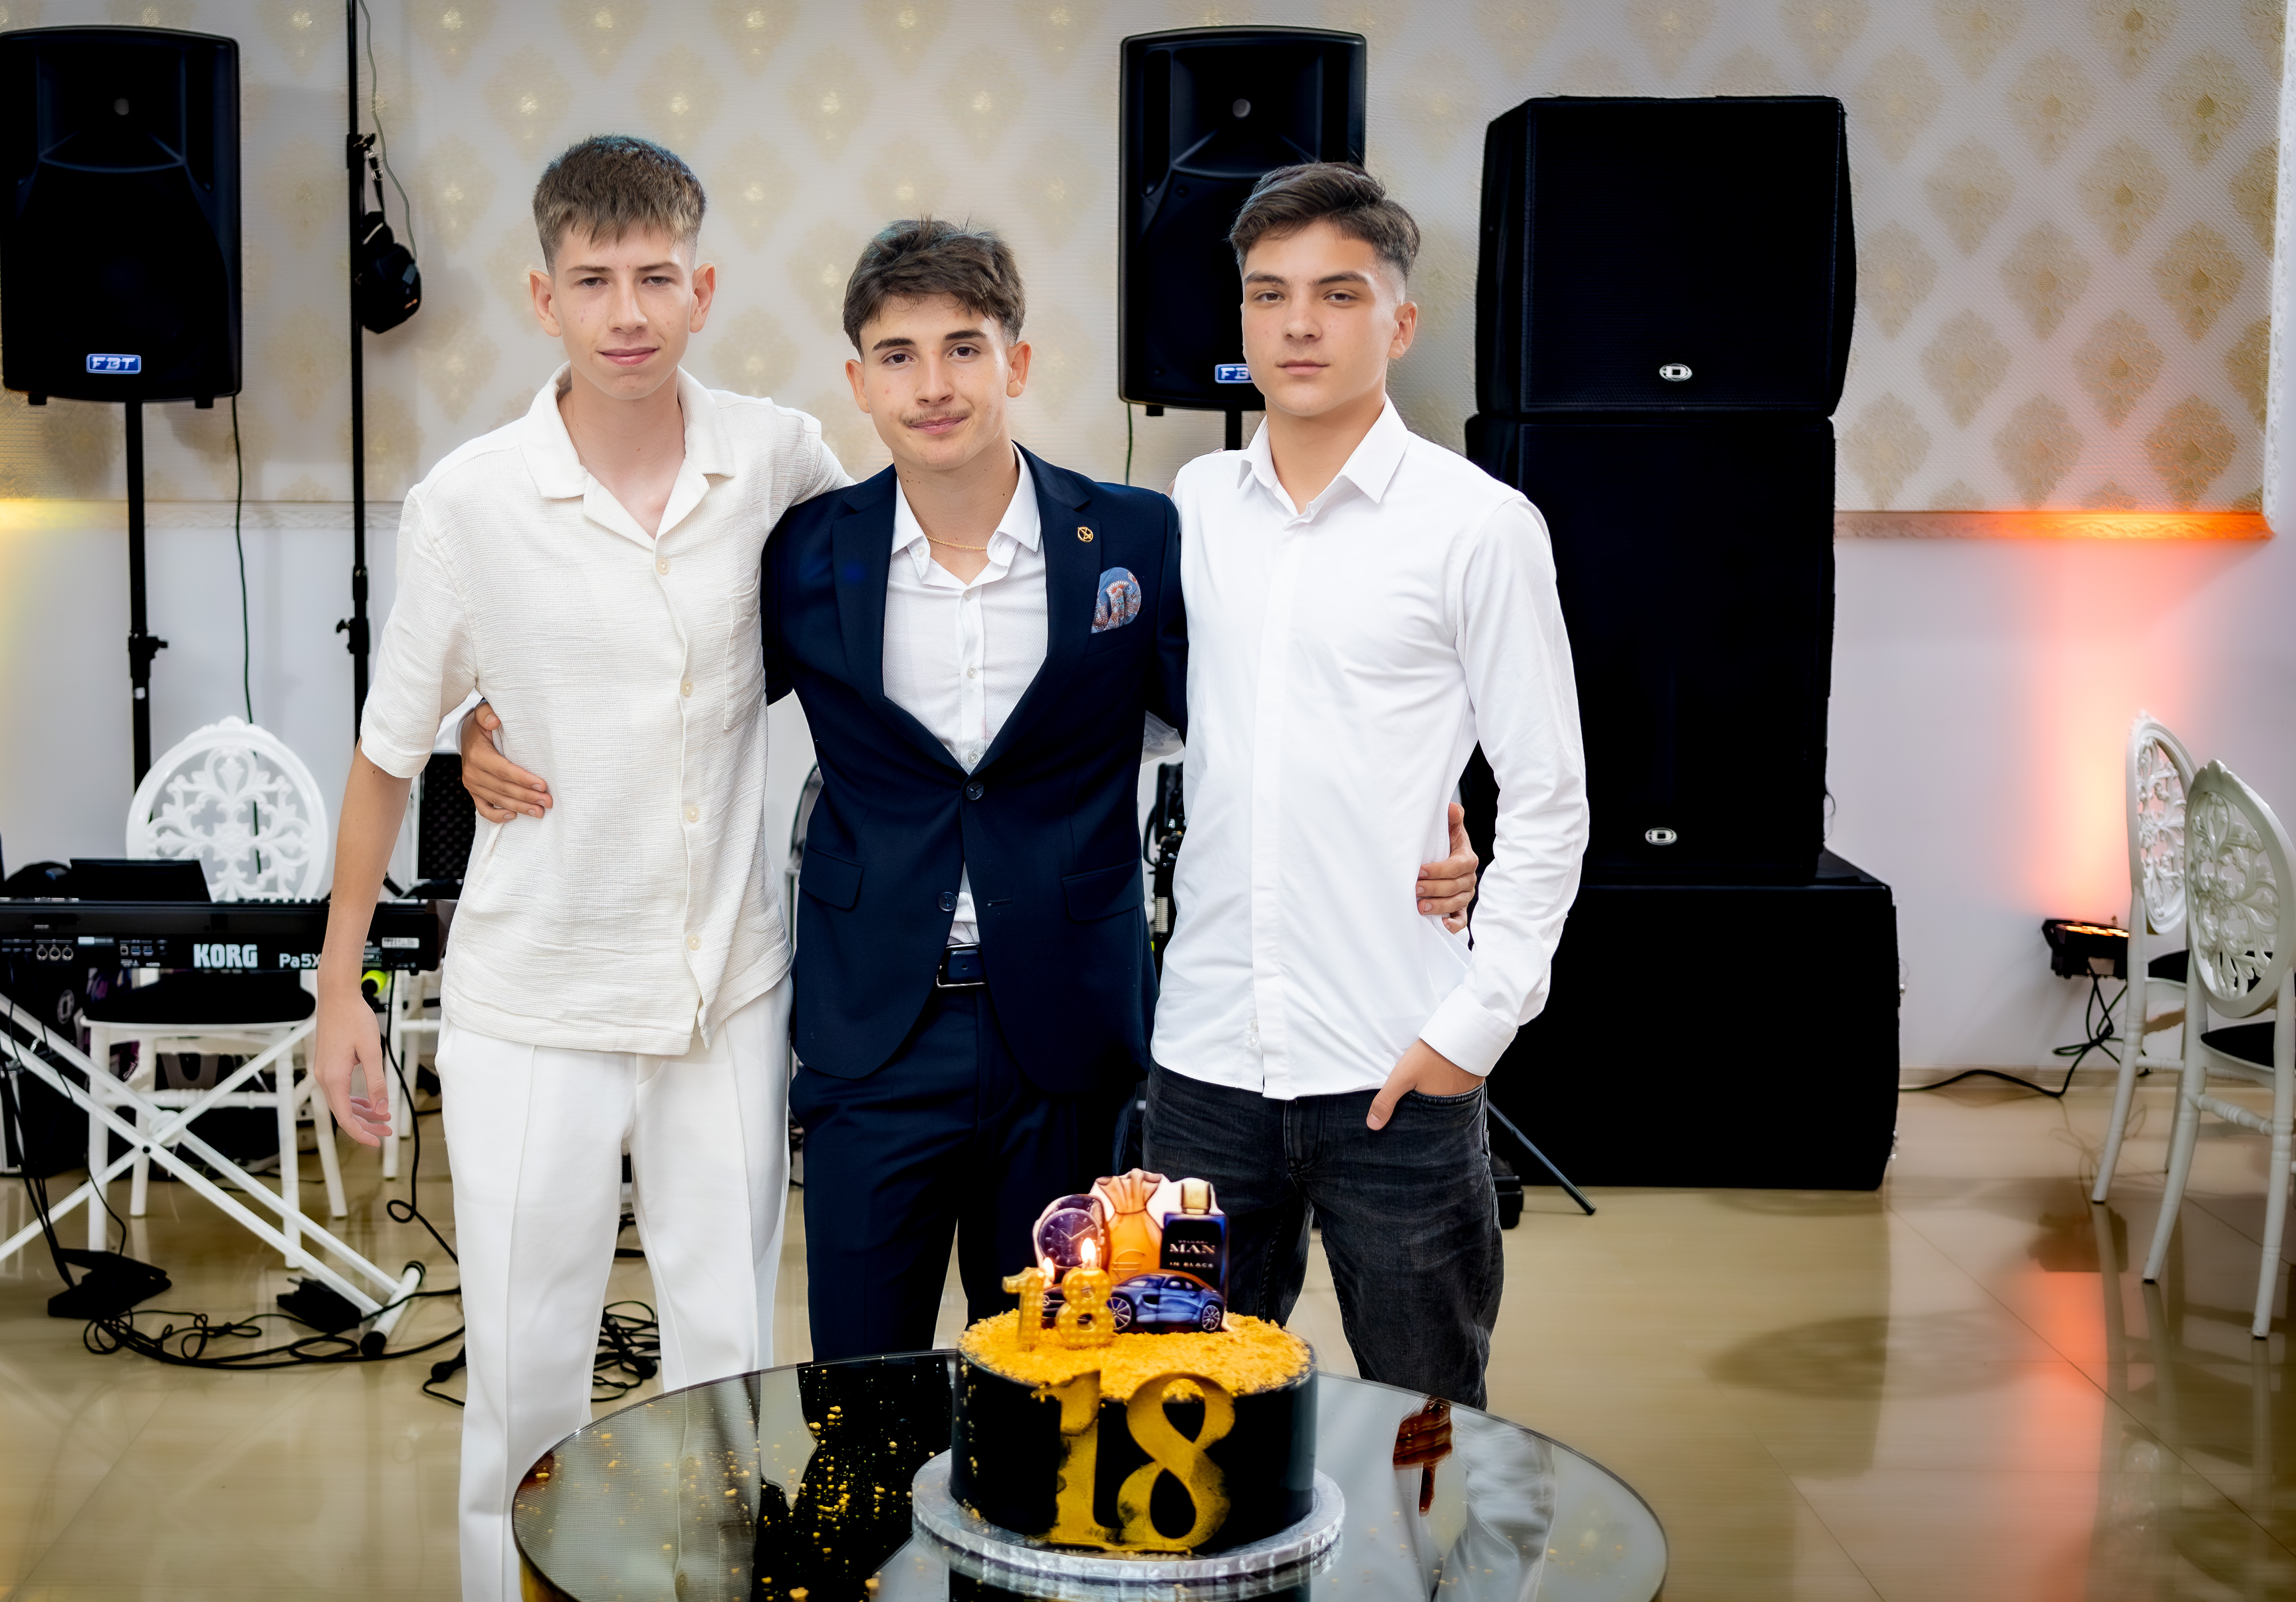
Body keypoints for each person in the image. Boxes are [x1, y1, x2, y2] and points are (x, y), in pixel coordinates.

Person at [460, 218, 1480, 1361]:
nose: (932, 385)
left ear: (1017, 362)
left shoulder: (1135, 537)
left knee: (1052, 1387)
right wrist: (479, 728)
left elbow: (1255, 722)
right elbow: (668, 689)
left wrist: (1418, 823)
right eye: (897, 356)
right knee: (862, 1398)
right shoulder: (801, 553)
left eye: (962, 349)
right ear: (858, 381)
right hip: (872, 1038)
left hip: (1067, 1034)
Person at [306, 135, 849, 1602]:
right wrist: (340, 986)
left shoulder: (781, 458)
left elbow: (880, 603)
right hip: (532, 1002)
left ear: (702, 290)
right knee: (524, 1384)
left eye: (656, 278)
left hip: (724, 995)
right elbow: (383, 753)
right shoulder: (469, 504)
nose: (627, 312)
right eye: (594, 281)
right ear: (543, 297)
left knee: (727, 1377)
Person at [1146, 162, 1590, 1411]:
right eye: (1268, 294)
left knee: (1426, 1423)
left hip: (1396, 1064)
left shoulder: (1477, 525)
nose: (1298, 323)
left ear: (1397, 324)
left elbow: (1549, 793)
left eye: (1337, 294)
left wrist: (1476, 1025)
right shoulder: (1192, 507)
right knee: (1186, 1414)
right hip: (1204, 1071)